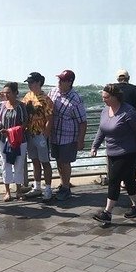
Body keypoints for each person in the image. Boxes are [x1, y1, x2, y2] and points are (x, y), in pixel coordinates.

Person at [90, 84, 136, 224]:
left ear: (115, 97)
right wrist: (95, 146)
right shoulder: (105, 111)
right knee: (129, 181)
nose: (104, 100)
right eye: (102, 97)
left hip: (128, 152)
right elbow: (102, 130)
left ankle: (107, 213)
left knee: (114, 180)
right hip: (112, 152)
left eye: (106, 97)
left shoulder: (128, 112)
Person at [48, 69, 87, 201]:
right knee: (58, 160)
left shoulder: (76, 99)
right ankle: (63, 183)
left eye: (62, 80)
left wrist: (80, 140)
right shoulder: (53, 91)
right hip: (54, 135)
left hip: (68, 136)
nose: (59, 82)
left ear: (69, 82)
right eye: (58, 79)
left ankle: (66, 187)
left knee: (65, 162)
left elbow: (82, 121)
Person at [21, 72, 54, 201]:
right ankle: (37, 187)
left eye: (31, 82)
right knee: (34, 161)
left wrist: (45, 134)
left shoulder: (46, 99)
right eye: (28, 83)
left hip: (40, 134)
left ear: (39, 82)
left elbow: (50, 118)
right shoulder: (28, 96)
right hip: (29, 133)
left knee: (45, 161)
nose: (29, 85)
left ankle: (48, 188)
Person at [0, 82, 28, 202]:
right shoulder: (1, 105)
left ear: (15, 93)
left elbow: (25, 123)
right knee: (6, 165)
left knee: (19, 165)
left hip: (19, 140)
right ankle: (7, 192)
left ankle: (18, 191)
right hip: (4, 141)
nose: (6, 95)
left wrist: (10, 131)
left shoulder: (21, 106)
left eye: (8, 93)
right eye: (4, 93)